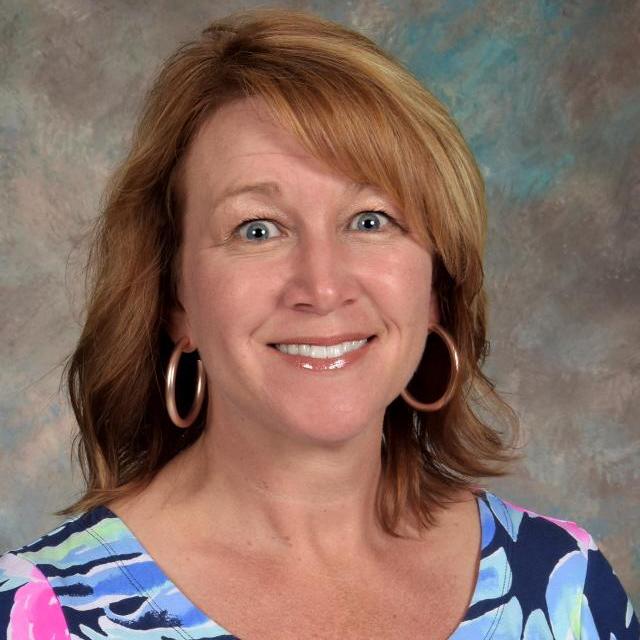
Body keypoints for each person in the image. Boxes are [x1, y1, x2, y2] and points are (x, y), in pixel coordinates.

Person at [0, 8, 637, 640]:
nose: (323, 287)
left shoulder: (567, 589)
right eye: (257, 229)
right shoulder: (36, 615)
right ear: (175, 300)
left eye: (370, 220)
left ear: (436, 288)